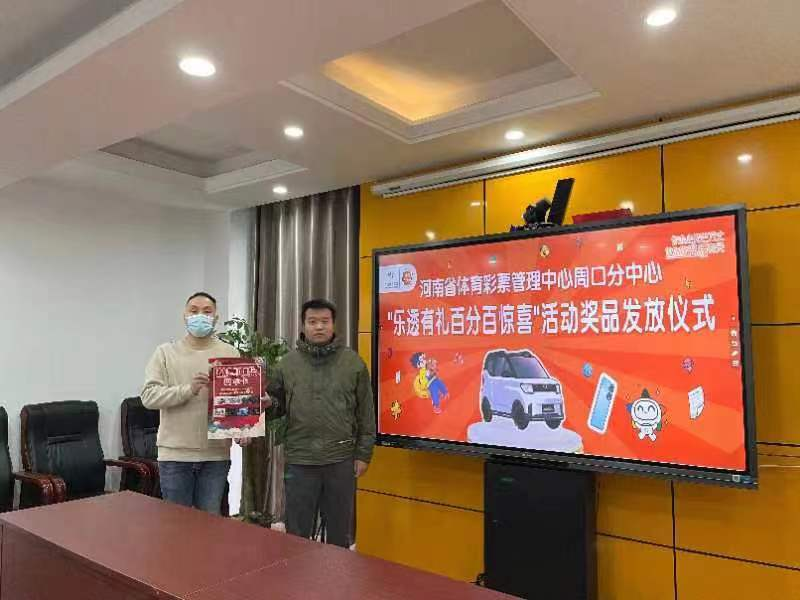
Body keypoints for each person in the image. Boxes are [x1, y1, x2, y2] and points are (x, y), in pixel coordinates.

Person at [267, 298, 376, 548]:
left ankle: (336, 574)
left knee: (339, 531)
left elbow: (366, 413)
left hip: (340, 459)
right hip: (300, 459)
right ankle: (298, 573)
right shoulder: (287, 364)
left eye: (324, 321)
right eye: (312, 321)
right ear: (303, 326)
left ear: (333, 324)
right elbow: (275, 408)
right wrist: (266, 405)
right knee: (297, 532)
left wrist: (363, 454)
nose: (319, 327)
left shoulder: (353, 363)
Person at [142, 291, 248, 514]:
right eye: (194, 311)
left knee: (209, 522)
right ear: (185, 316)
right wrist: (188, 390)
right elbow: (149, 396)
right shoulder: (165, 353)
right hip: (175, 455)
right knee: (176, 523)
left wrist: (243, 428)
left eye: (207, 312)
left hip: (215, 455)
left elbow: (237, 402)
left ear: (216, 318)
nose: (200, 316)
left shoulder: (229, 353)